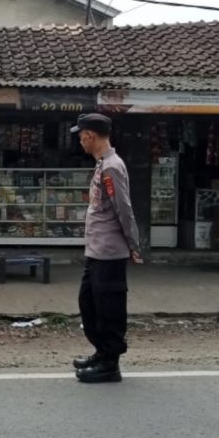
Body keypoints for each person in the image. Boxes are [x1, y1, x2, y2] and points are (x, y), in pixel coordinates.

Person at [70, 113, 142, 384]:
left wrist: (133, 245)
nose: (80, 141)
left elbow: (124, 209)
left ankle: (111, 364)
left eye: (81, 136)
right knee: (89, 303)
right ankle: (101, 353)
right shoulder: (103, 165)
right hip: (97, 251)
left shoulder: (112, 167)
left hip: (110, 252)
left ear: (90, 136)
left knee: (109, 307)